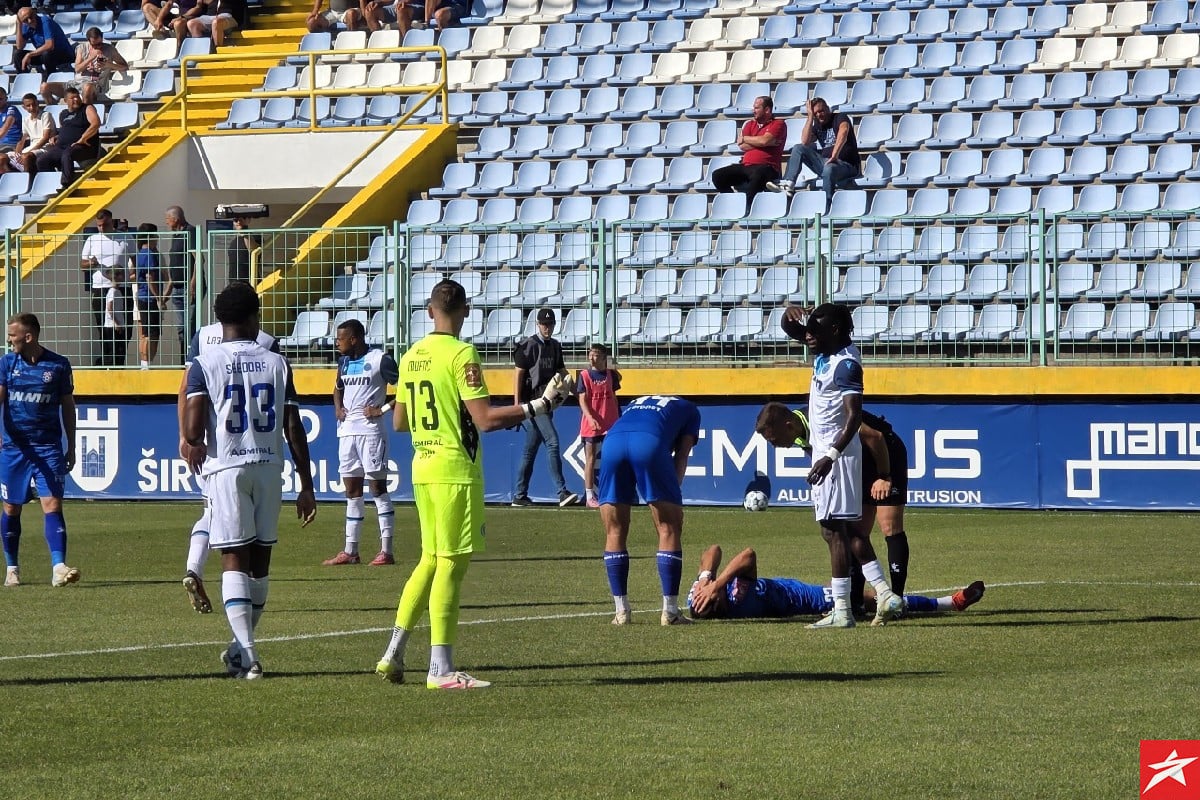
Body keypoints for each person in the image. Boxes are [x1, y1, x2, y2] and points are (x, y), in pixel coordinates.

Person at [374, 279, 573, 689]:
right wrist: (542, 404)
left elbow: (399, 421)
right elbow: (484, 419)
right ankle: (440, 669)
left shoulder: (412, 356)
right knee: (450, 563)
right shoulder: (463, 353)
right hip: (454, 470)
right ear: (464, 311)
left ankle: (393, 652)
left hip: (423, 467)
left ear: (429, 311)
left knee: (430, 559)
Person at [182, 282, 317, 679]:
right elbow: (294, 427)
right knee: (260, 562)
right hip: (269, 466)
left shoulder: (205, 362)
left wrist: (197, 438)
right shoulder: (277, 362)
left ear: (220, 320)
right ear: (255, 318)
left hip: (227, 468)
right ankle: (241, 652)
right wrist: (306, 485)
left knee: (232, 558)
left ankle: (250, 655)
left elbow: (192, 431)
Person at [754, 303, 903, 629]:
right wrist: (788, 315)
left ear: (833, 331)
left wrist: (830, 456)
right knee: (844, 530)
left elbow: (853, 417)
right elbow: (795, 330)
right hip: (832, 457)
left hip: (836, 459)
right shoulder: (826, 352)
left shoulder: (846, 365)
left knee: (833, 530)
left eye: (814, 331)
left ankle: (843, 611)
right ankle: (883, 592)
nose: (807, 337)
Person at [177, 285, 280, 615]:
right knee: (242, 540)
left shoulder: (203, 337)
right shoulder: (266, 343)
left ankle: (195, 567)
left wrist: (186, 438)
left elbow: (185, 387)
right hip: (256, 452)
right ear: (252, 314)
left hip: (215, 450)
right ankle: (242, 624)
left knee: (212, 511)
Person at [599, 394, 702, 626]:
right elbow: (682, 454)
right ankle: (671, 612)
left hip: (612, 443)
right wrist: (672, 498)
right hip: (648, 442)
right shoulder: (690, 410)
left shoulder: (636, 402)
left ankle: (621, 612)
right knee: (669, 528)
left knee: (614, 531)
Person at [685, 544, 984, 621]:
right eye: (716, 598)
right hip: (798, 598)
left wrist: (706, 577)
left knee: (865, 600)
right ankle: (949, 603)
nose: (714, 594)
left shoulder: (698, 596)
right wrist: (717, 583)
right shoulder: (739, 602)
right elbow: (748, 555)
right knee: (865, 601)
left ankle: (947, 602)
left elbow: (712, 550)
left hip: (782, 588)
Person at [0, 313, 80, 588]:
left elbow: (68, 407)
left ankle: (58, 567)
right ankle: (12, 568)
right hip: (14, 448)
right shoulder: (6, 364)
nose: (9, 340)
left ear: (28, 337)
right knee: (11, 508)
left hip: (48, 447)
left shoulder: (58, 366)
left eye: (12, 335)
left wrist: (71, 444)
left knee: (52, 503)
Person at [322, 318, 400, 567]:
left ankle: (386, 551)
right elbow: (337, 388)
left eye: (340, 338)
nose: (336, 343)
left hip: (371, 433)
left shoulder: (380, 359)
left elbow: (408, 388)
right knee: (352, 491)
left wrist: (384, 409)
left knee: (377, 489)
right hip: (346, 433)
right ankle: (350, 551)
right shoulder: (343, 362)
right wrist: (337, 408)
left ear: (354, 339)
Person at [511, 307, 579, 508]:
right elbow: (519, 375)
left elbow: (562, 371)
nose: (547, 327)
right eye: (544, 324)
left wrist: (578, 390)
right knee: (553, 442)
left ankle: (519, 495)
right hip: (534, 402)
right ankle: (561, 491)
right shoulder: (528, 346)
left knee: (529, 450)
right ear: (538, 325)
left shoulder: (555, 346)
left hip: (547, 403)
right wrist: (516, 406)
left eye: (550, 324)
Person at [766, 97, 862, 205]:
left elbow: (843, 132)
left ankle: (827, 203)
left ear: (828, 108)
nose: (819, 115)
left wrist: (834, 156)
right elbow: (805, 141)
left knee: (829, 168)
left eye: (821, 111)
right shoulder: (817, 125)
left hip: (847, 165)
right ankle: (789, 184)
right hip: (825, 163)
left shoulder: (840, 117)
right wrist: (810, 117)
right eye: (816, 113)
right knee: (798, 148)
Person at [711, 95, 786, 207]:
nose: (753, 110)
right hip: (746, 166)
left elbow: (762, 141)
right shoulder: (750, 124)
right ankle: (733, 204)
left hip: (768, 167)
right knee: (718, 175)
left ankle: (746, 207)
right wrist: (763, 142)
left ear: (767, 110)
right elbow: (743, 146)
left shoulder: (778, 124)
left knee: (758, 174)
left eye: (756, 108)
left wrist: (747, 139)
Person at [575, 342, 621, 509]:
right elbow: (582, 399)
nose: (591, 357)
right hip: (591, 424)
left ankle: (611, 492)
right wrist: (590, 417)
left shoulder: (611, 375)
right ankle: (589, 495)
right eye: (590, 354)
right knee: (590, 458)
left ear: (603, 357)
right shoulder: (585, 376)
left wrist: (618, 417)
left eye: (595, 354)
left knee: (612, 457)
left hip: (610, 422)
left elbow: (614, 397)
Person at [80, 208, 128, 365]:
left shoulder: (125, 237)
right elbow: (82, 264)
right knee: (104, 327)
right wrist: (91, 263)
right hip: (100, 288)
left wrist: (131, 275)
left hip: (122, 288)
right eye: (99, 225)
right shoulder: (92, 240)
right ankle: (108, 362)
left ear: (111, 221)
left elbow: (134, 259)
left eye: (105, 225)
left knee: (123, 326)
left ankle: (120, 362)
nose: (101, 228)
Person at [41, 27, 129, 106]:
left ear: (102, 39)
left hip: (94, 85)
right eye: (94, 45)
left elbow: (124, 67)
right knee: (44, 87)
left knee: (87, 87)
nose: (98, 47)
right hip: (76, 83)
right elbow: (77, 69)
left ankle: (84, 114)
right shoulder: (82, 48)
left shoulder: (109, 49)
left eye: (100, 44)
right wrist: (91, 57)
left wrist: (109, 64)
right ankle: (52, 109)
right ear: (88, 41)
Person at [35, 87, 101, 190]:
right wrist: (56, 137)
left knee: (67, 154)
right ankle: (52, 185)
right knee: (42, 160)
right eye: (72, 98)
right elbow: (65, 130)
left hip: (84, 146)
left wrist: (83, 139)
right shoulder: (63, 114)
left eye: (77, 97)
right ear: (65, 101)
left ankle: (68, 185)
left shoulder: (87, 108)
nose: (76, 99)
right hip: (62, 146)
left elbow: (96, 124)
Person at [162, 205, 198, 360]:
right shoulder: (176, 235)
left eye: (167, 219)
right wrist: (165, 294)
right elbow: (174, 268)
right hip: (177, 289)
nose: (166, 223)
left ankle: (190, 361)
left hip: (187, 288)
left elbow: (198, 259)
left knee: (188, 327)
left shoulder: (189, 232)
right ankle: (183, 361)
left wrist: (193, 283)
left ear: (175, 219)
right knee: (181, 329)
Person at [131, 222, 164, 370]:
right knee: (152, 333)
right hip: (149, 298)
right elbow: (150, 278)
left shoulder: (138, 255)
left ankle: (144, 364)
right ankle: (147, 364)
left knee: (144, 332)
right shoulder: (150, 254)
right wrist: (158, 298)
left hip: (141, 296)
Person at [15, 7, 74, 82]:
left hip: (64, 54)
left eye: (30, 17)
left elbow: (49, 45)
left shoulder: (45, 21)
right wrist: (19, 25)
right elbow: (19, 46)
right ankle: (23, 80)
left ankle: (50, 79)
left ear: (34, 13)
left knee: (46, 53)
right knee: (18, 54)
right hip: (46, 56)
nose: (29, 21)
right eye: (25, 20)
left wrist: (29, 54)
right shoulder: (26, 26)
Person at [13, 93, 56, 175]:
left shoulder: (45, 115)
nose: (32, 107)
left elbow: (45, 138)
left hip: (45, 148)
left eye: (34, 104)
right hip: (32, 147)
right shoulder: (26, 120)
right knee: (3, 158)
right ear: (24, 107)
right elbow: (22, 139)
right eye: (28, 106)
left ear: (38, 103)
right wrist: (17, 153)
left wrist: (28, 151)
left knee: (26, 157)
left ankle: (27, 180)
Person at [99, 264, 128, 366]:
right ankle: (111, 369)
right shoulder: (113, 292)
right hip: (113, 326)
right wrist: (117, 323)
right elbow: (109, 308)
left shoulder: (117, 291)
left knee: (119, 349)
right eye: (122, 275)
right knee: (114, 350)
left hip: (117, 324)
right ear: (116, 276)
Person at [224, 215, 258, 285]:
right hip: (233, 284)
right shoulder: (233, 241)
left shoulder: (256, 237)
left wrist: (244, 229)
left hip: (250, 283)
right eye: (236, 220)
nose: (239, 222)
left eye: (243, 218)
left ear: (249, 220)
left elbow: (253, 250)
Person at [0, 88, 22, 153]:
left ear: (6, 99)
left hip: (10, 144)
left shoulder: (11, 109)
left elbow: (6, 128)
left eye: (0, 99)